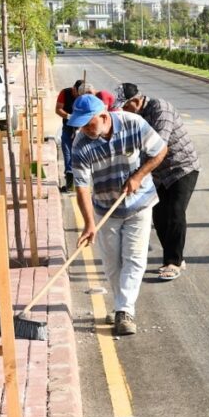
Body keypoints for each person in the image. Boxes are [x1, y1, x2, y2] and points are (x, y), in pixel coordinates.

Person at [69, 94, 168, 336]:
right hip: (106, 208)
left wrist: (139, 176)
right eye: (80, 124)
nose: (84, 129)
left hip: (139, 203)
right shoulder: (81, 144)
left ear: (103, 116)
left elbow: (160, 150)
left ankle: (125, 311)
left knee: (134, 259)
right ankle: (121, 304)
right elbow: (81, 186)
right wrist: (89, 223)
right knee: (112, 264)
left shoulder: (133, 123)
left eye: (88, 123)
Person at [117, 82, 200, 281]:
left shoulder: (160, 109)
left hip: (182, 168)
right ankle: (176, 256)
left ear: (136, 101)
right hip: (159, 173)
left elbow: (158, 145)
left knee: (175, 213)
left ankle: (173, 262)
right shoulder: (135, 118)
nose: (124, 111)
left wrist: (137, 176)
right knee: (159, 217)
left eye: (126, 106)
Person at [55, 79, 84, 191]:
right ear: (74, 88)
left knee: (81, 154)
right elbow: (58, 109)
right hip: (68, 127)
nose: (79, 96)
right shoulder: (65, 93)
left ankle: (82, 183)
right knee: (67, 153)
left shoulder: (86, 95)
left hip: (82, 129)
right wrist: (69, 117)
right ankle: (70, 183)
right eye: (78, 93)